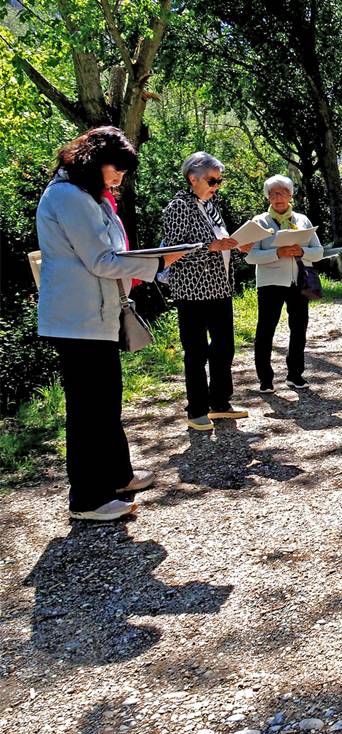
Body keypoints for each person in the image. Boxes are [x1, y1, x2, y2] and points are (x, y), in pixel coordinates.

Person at [35, 126, 187, 521]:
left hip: (93, 316)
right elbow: (102, 261)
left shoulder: (88, 196)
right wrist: (159, 263)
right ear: (93, 161)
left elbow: (113, 251)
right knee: (89, 411)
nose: (119, 177)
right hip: (77, 319)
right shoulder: (69, 196)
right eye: (115, 168)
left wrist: (156, 260)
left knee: (106, 402)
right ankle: (87, 500)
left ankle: (117, 476)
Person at [160, 152, 252, 431]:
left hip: (219, 288)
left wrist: (237, 248)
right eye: (212, 180)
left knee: (224, 347)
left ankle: (220, 403)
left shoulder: (210, 206)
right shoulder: (178, 207)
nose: (216, 186)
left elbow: (219, 245)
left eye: (219, 181)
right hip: (192, 291)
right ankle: (197, 409)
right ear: (193, 178)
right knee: (197, 351)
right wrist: (211, 247)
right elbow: (171, 253)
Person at [245, 175, 325, 392]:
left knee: (299, 329)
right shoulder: (259, 222)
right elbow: (250, 257)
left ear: (290, 195)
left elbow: (319, 252)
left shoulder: (302, 220)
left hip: (298, 282)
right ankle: (265, 379)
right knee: (265, 331)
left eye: (281, 192)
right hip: (270, 284)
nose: (277, 197)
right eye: (272, 193)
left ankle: (295, 375)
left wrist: (302, 251)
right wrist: (277, 253)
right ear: (267, 197)